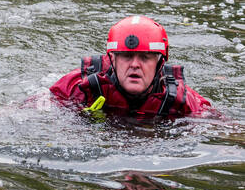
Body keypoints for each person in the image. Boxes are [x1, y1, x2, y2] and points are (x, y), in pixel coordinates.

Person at [49, 15, 216, 119]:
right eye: (127, 56)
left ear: (159, 63)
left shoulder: (182, 101)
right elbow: (36, 109)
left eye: (145, 57)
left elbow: (224, 128)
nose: (135, 65)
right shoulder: (80, 86)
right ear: (112, 59)